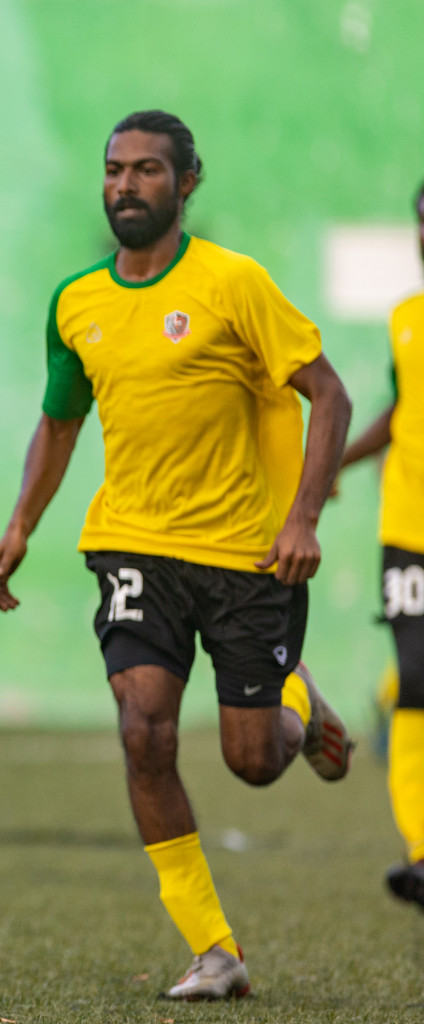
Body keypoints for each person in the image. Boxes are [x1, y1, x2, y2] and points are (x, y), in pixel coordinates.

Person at [0, 111, 354, 1000]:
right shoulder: (77, 302)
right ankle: (214, 949)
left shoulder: (234, 284)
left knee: (253, 761)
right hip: (131, 547)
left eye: (148, 171)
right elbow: (60, 420)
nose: (125, 185)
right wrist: (21, 523)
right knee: (142, 731)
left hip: (245, 559)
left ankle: (295, 694)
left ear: (187, 184)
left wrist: (303, 519)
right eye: (115, 169)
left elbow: (330, 395)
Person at [334, 179, 424, 911]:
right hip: (410, 531)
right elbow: (403, 407)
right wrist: (337, 462)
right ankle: (423, 850)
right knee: (418, 681)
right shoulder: (406, 318)